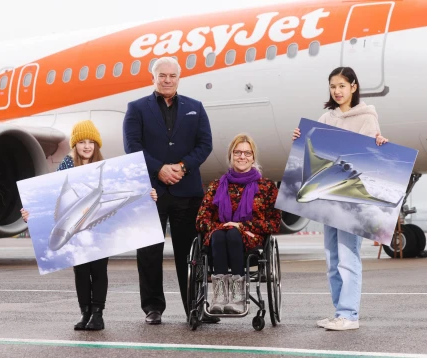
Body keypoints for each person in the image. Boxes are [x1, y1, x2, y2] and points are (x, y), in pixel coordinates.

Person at [20, 119, 158, 331]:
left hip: (97, 230)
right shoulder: (66, 165)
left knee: (99, 271)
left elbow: (130, 194)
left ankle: (97, 314)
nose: (86, 146)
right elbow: (52, 196)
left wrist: (148, 197)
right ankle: (84, 312)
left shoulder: (106, 166)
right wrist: (32, 214)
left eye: (91, 142)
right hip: (75, 231)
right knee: (81, 272)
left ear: (96, 145)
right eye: (82, 141)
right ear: (74, 144)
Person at [292, 67, 388, 331]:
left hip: (351, 199)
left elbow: (369, 157)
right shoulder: (326, 117)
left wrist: (380, 143)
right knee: (332, 259)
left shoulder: (367, 117)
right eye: (333, 86)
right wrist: (301, 140)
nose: (337, 91)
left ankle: (350, 314)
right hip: (329, 198)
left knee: (349, 256)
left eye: (342, 86)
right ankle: (339, 312)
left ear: (354, 87)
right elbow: (317, 151)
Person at [122, 56, 213, 325]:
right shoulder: (136, 108)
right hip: (151, 190)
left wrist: (182, 167)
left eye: (172, 76)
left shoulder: (195, 107)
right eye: (162, 75)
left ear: (179, 78)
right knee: (149, 252)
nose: (167, 80)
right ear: (153, 77)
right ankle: (153, 307)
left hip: (187, 191)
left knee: (191, 254)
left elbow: (205, 144)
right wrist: (159, 168)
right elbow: (132, 146)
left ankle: (195, 307)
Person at [196, 133, 281, 314]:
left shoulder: (266, 187)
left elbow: (274, 223)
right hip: (218, 240)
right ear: (231, 156)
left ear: (253, 157)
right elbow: (201, 220)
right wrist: (224, 226)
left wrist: (241, 226)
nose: (242, 157)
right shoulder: (216, 186)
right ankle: (219, 296)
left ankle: (238, 296)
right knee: (220, 234)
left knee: (233, 234)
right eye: (238, 152)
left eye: (247, 153)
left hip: (250, 240)